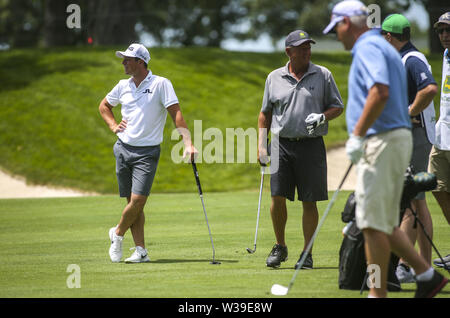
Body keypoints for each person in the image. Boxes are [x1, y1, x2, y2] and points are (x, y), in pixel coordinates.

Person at [323, 0, 448, 297]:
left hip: (382, 139)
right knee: (377, 220)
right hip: (393, 137)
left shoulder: (367, 47)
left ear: (347, 23)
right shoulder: (385, 48)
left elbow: (379, 92)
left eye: (336, 28)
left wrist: (357, 135)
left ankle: (380, 292)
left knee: (372, 220)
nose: (336, 36)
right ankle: (425, 275)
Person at [99, 43, 197, 263]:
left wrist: (188, 143)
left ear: (140, 62)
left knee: (138, 201)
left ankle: (117, 233)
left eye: (127, 59)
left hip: (147, 153)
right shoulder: (122, 85)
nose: (123, 62)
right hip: (123, 149)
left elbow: (176, 114)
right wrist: (113, 126)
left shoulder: (161, 84)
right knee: (132, 205)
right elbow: (104, 106)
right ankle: (141, 251)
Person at [257, 30, 344, 269]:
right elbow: (265, 114)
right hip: (281, 144)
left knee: (309, 200)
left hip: (311, 146)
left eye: (309, 47)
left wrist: (323, 117)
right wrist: (260, 146)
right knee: (277, 197)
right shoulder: (274, 77)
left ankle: (307, 253)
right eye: (302, 48)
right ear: (289, 52)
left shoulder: (323, 74)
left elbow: (337, 107)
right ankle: (280, 246)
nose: (307, 51)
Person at [381, 14, 438, 283]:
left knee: (413, 202)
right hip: (411, 136)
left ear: (390, 37)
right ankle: (419, 266)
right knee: (415, 202)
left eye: (384, 36)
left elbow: (429, 89)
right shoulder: (403, 59)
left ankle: (411, 265)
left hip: (418, 137)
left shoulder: (411, 59)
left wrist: (408, 112)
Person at [430, 12, 450, 269]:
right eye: (441, 31)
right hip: (441, 134)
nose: (444, 35)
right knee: (436, 187)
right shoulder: (446, 55)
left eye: (448, 30)